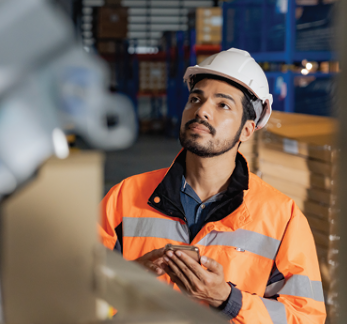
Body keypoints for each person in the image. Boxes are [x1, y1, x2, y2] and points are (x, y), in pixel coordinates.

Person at [99, 48, 326, 323]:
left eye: (223, 105)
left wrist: (228, 300)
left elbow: (306, 317)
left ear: (247, 129)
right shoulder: (124, 197)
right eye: (196, 98)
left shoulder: (282, 218)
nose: (202, 110)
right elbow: (73, 291)